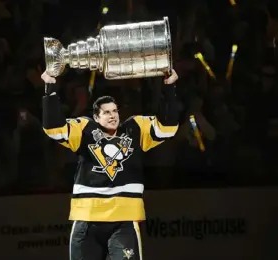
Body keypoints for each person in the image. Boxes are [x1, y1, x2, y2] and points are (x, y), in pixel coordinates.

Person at [41, 69, 179, 260]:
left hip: (124, 219)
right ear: (96, 117)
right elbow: (53, 129)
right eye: (106, 112)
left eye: (115, 111)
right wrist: (50, 89)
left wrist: (169, 87)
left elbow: (168, 128)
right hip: (87, 218)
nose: (112, 115)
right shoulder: (85, 129)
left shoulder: (135, 128)